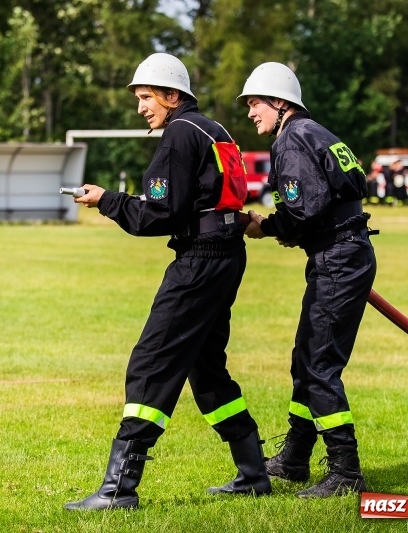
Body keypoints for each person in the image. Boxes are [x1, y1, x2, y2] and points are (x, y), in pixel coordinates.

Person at [63, 52, 272, 511]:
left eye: (146, 97)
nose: (141, 107)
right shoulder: (214, 130)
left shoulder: (178, 133)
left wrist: (107, 200)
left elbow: (159, 216)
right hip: (226, 255)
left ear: (173, 95)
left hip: (199, 261)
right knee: (206, 369)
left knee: (152, 362)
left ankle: (119, 489)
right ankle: (254, 473)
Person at [237, 62, 378, 498]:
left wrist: (271, 227)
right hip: (340, 252)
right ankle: (296, 457)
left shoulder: (292, 138)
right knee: (306, 359)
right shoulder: (316, 132)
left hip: (338, 257)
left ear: (279, 103)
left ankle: (346, 471)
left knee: (319, 365)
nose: (249, 112)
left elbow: (306, 208)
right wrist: (295, 230)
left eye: (255, 103)